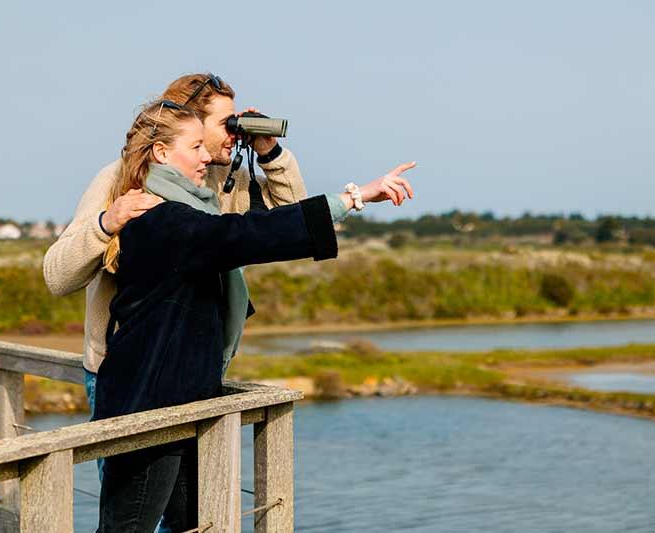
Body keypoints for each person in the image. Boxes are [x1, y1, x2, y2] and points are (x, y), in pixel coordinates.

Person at [93, 98, 415, 532]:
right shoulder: (160, 218)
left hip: (181, 402)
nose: (207, 155)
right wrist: (354, 198)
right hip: (149, 408)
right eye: (195, 147)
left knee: (194, 524)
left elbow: (265, 218)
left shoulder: (186, 210)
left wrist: (270, 153)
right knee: (127, 528)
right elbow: (249, 234)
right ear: (161, 153)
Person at [42, 73, 309, 434]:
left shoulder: (227, 180)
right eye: (226, 124)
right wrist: (106, 222)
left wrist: (268, 151)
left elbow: (294, 222)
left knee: (191, 489)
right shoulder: (120, 178)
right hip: (126, 370)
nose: (235, 132)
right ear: (190, 124)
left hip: (195, 369)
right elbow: (57, 276)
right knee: (132, 487)